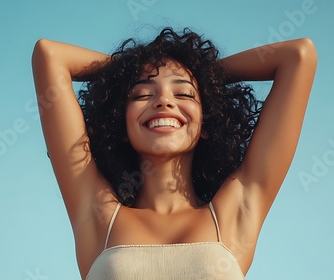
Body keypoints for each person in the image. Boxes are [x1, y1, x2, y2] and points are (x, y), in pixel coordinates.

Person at [32, 27, 317, 279]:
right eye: (142, 94)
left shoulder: (235, 211)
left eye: (184, 94)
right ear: (121, 124)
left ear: (206, 122)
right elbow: (50, 56)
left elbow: (297, 56)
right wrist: (132, 70)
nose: (164, 102)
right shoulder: (99, 217)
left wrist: (203, 75)